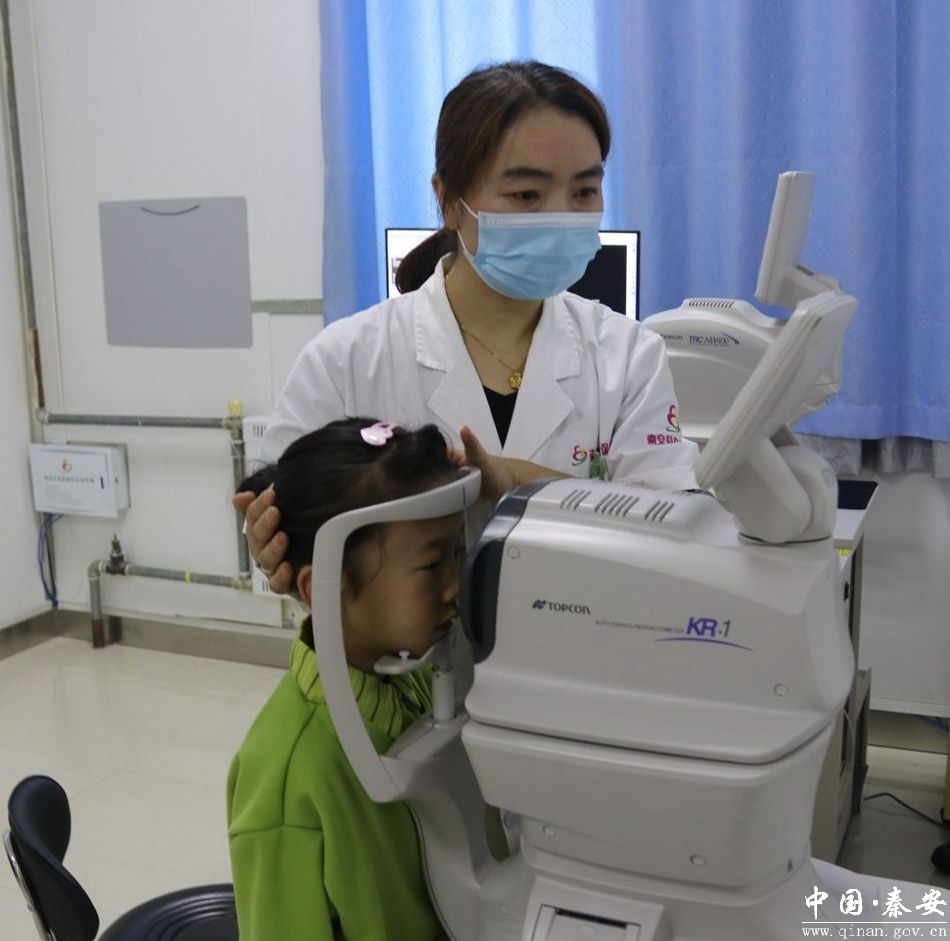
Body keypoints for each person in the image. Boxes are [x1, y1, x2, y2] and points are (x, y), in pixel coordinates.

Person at [236, 59, 698, 593]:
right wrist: (273, 544)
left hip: (584, 634)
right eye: (526, 195)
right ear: (449, 202)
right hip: (412, 649)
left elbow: (672, 530)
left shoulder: (629, 355)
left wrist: (518, 481)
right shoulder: (345, 359)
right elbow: (284, 513)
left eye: (584, 192)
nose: (561, 216)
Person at [226, 417, 463, 940]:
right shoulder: (288, 776)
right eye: (431, 566)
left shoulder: (414, 677)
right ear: (327, 587)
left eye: (459, 553)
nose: (455, 586)